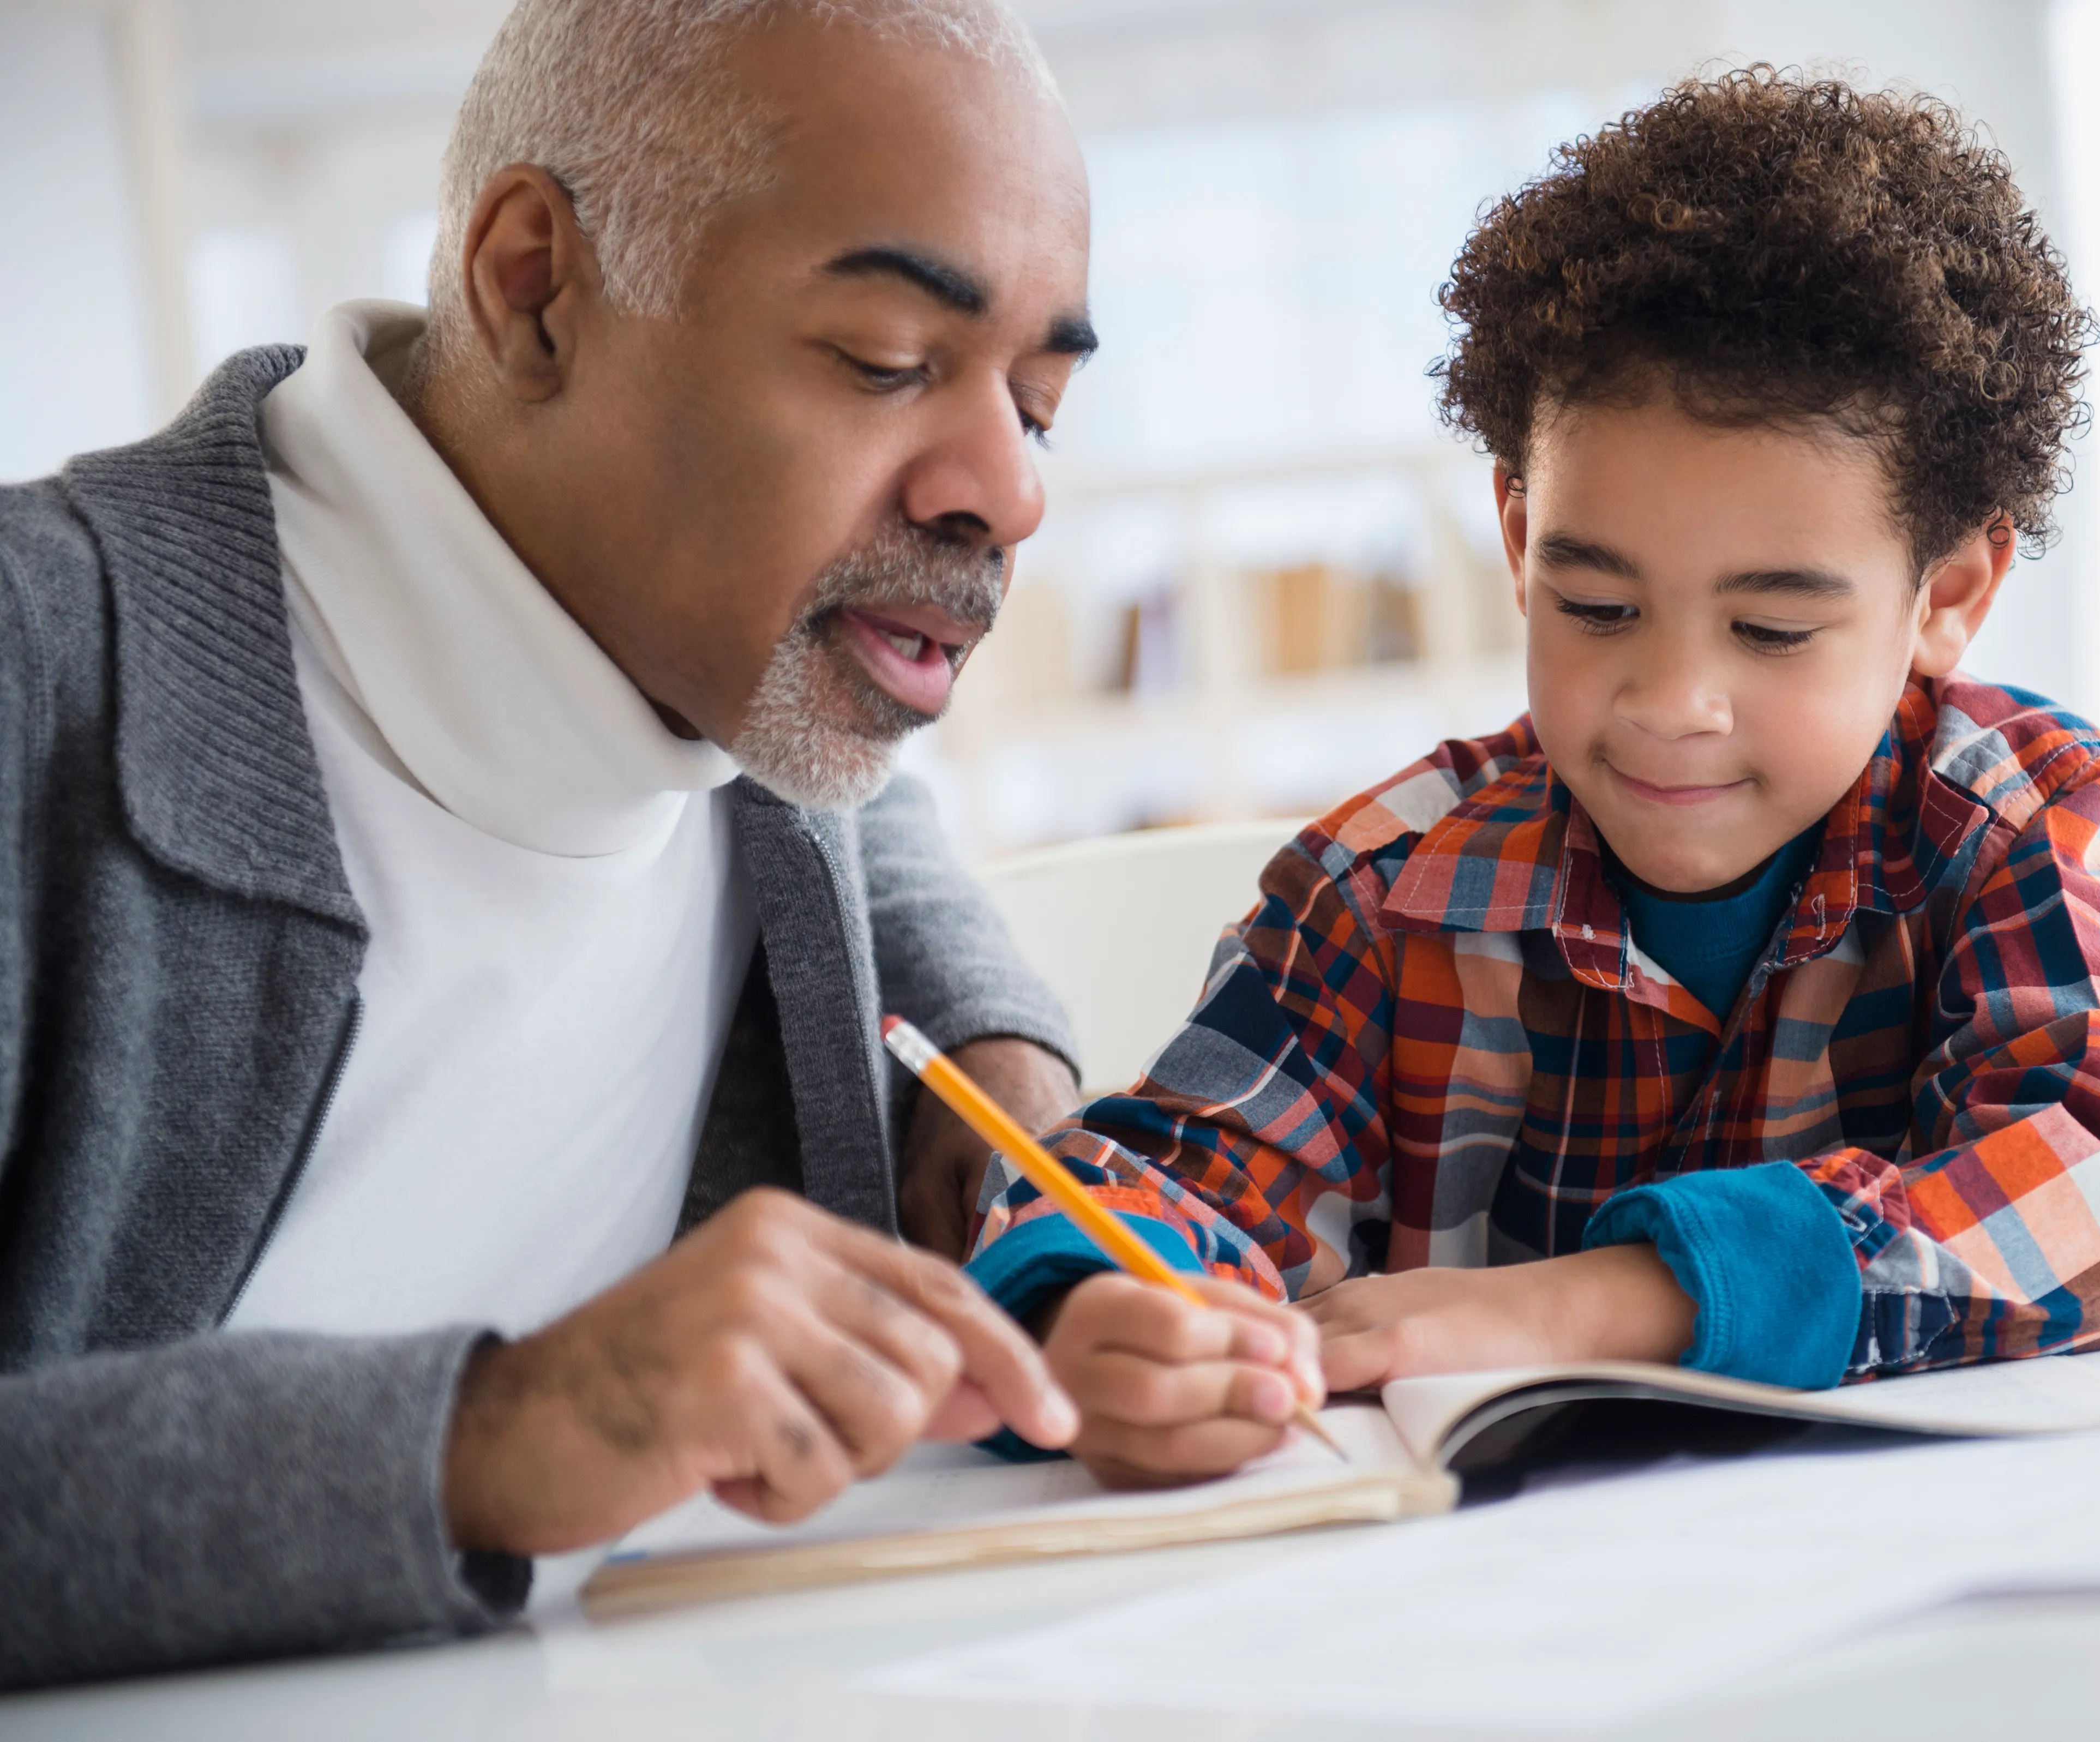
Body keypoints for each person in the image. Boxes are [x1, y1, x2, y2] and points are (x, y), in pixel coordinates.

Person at [0, 0, 1219, 1690]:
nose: (1008, 495)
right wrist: (488, 1432)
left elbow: (839, 813)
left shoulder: (729, 680)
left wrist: (1005, 1078)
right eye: (884, 360)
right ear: (531, 285)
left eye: (1040, 402)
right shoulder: (38, 668)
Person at [966, 69, 2100, 1488]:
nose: (1670, 706)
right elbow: (1158, 1175)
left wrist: (1580, 1308)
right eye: (1596, 607)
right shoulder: (1384, 888)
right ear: (1520, 533)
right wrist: (1114, 1307)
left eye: (1771, 629)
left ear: (1948, 592)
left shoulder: (2009, 821)